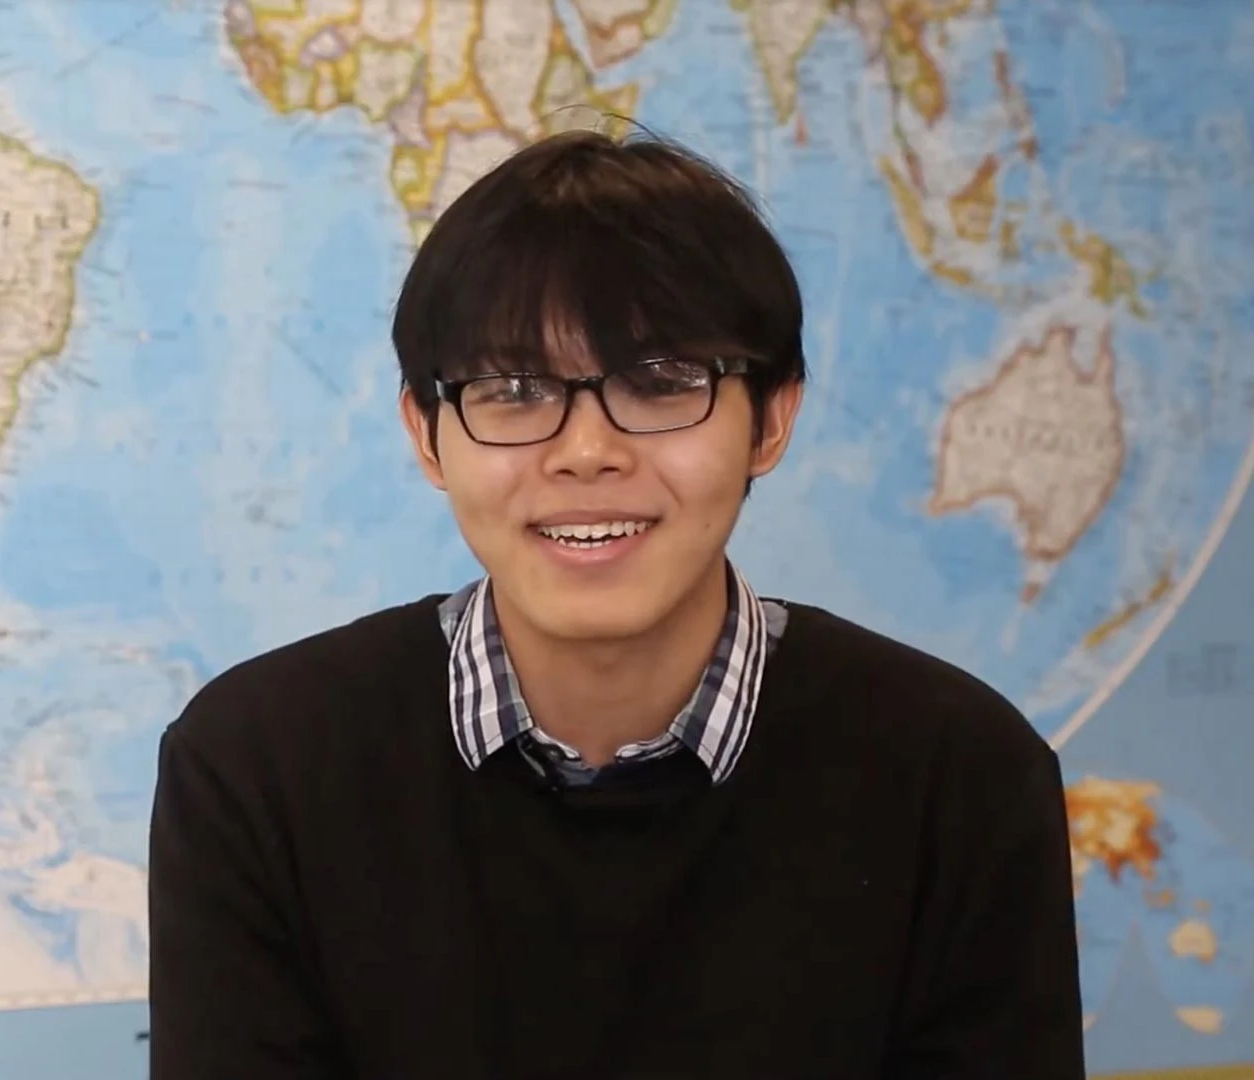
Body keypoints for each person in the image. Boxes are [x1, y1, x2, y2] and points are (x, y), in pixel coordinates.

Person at [145, 127, 1085, 1079]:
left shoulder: (961, 776)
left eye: (661, 381)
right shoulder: (256, 769)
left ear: (772, 418)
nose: (586, 450)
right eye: (513, 389)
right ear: (427, 436)